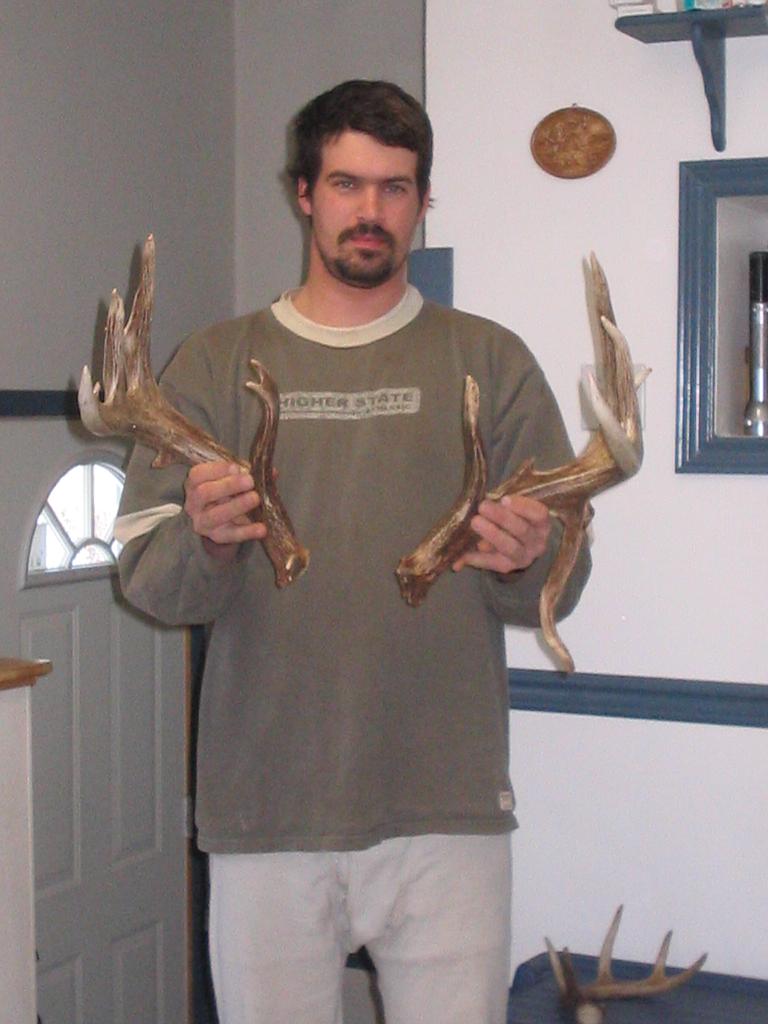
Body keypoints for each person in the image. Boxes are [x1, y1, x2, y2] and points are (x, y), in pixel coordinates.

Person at [116, 79, 591, 1024]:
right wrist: (205, 542)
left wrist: (526, 559)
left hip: (447, 809)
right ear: (304, 193)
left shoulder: (491, 361)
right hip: (266, 813)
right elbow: (150, 579)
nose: (370, 210)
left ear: (423, 200)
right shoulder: (212, 364)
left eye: (394, 187)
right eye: (345, 184)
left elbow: (556, 579)